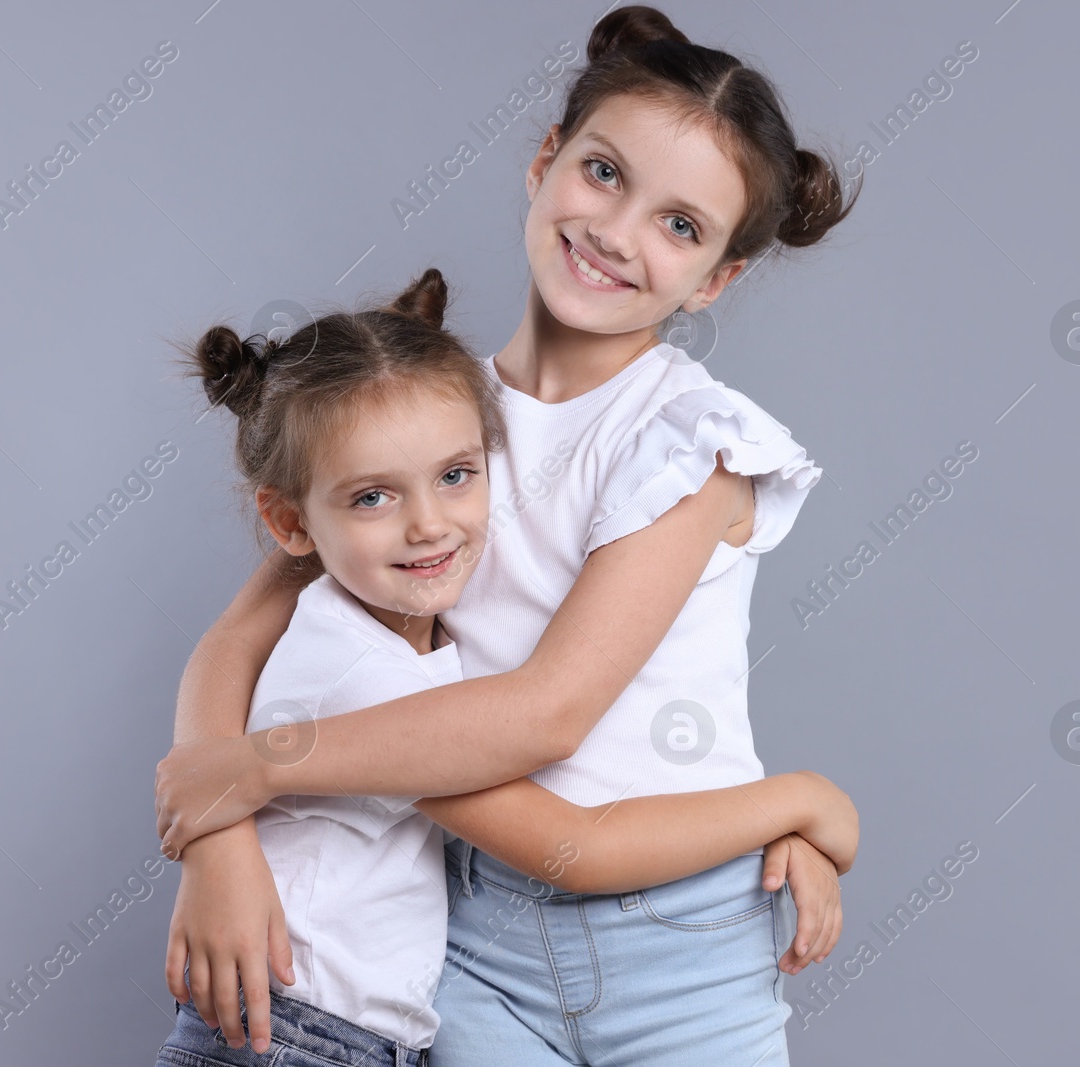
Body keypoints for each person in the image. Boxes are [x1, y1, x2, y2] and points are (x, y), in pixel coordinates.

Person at [156, 6, 862, 1063]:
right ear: (543, 161)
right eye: (604, 173)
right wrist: (215, 838)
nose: (620, 234)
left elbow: (548, 713)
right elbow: (235, 641)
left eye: (681, 226)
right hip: (474, 941)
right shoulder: (420, 417)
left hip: (680, 933)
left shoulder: (687, 442)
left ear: (718, 277)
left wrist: (259, 767)